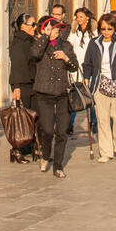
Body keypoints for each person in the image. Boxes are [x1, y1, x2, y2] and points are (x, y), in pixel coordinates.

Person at [82, 13, 116, 162]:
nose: (106, 32)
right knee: (103, 120)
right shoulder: (94, 43)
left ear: (114, 29)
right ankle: (106, 151)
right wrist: (87, 78)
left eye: (109, 29)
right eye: (103, 29)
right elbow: (87, 63)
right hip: (100, 85)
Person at [30, 15, 80, 177]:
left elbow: (74, 67)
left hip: (62, 93)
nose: (56, 31)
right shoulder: (40, 44)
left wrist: (66, 58)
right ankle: (45, 155)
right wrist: (45, 36)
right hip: (44, 93)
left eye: (58, 28)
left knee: (61, 131)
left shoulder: (65, 45)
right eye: (53, 28)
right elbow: (35, 54)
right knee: (47, 129)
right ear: (44, 29)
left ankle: (58, 165)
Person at [65, 7, 98, 150]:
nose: (79, 19)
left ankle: (94, 122)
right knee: (75, 96)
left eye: (81, 17)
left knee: (90, 96)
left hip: (90, 69)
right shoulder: (74, 32)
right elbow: (69, 46)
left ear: (87, 18)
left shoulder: (94, 33)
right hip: (75, 69)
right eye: (77, 17)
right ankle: (70, 124)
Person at [7, 12, 38, 163]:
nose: (35, 27)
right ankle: (16, 149)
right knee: (21, 119)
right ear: (23, 26)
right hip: (23, 84)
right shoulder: (19, 41)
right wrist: (16, 87)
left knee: (32, 117)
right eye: (33, 24)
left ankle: (31, 146)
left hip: (32, 83)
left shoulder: (31, 40)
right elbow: (17, 66)